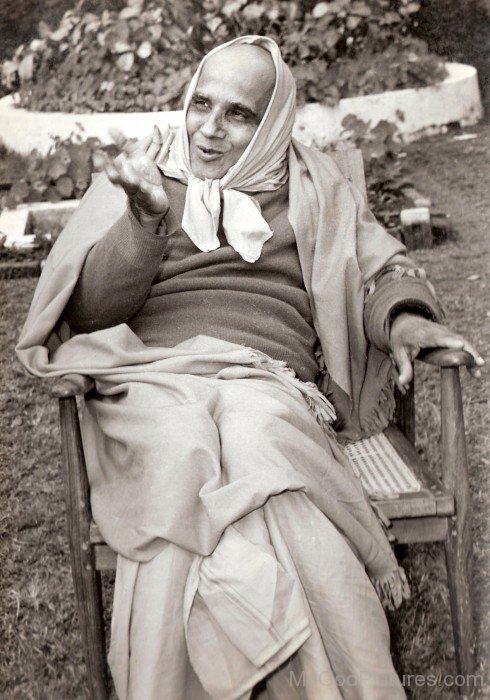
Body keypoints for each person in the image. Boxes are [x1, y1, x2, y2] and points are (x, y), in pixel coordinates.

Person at [17, 35, 483, 700]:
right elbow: (87, 312)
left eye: (238, 113)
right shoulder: (144, 181)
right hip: (152, 383)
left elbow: (381, 270)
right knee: (205, 450)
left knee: (248, 435)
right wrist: (145, 222)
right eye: (200, 104)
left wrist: (408, 321)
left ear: (271, 122)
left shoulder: (313, 188)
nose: (208, 129)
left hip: (270, 385)